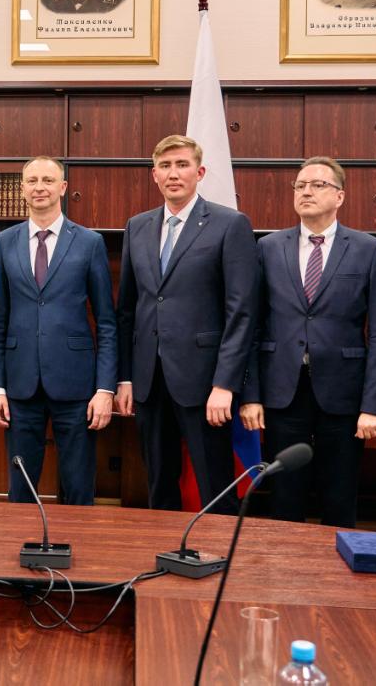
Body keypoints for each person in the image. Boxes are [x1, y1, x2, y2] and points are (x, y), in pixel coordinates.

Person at [238, 157, 376, 527]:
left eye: (318, 185)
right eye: (300, 185)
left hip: (344, 391)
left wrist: (375, 404)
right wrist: (250, 395)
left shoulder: (368, 249)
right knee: (284, 494)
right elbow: (252, 326)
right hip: (282, 390)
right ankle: (286, 563)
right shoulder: (268, 247)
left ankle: (335, 566)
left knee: (339, 494)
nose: (306, 191)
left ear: (340, 196)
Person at [115, 136, 257, 513]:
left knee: (214, 485)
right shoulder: (137, 227)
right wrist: (126, 377)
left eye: (182, 165)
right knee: (159, 483)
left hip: (205, 382)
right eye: (165, 166)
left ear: (200, 172)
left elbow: (241, 312)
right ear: (154, 175)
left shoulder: (230, 224)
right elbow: (127, 310)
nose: (173, 173)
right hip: (149, 381)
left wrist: (225, 384)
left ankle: (217, 549)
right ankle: (164, 546)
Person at [0, 156, 116, 506]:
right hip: (19, 386)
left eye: (47, 180)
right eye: (32, 181)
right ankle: (23, 541)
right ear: (22, 189)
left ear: (63, 187)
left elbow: (106, 322)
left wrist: (105, 388)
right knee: (21, 489)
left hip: (77, 387)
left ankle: (77, 540)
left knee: (78, 486)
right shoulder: (5, 242)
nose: (39, 187)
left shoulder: (89, 242)